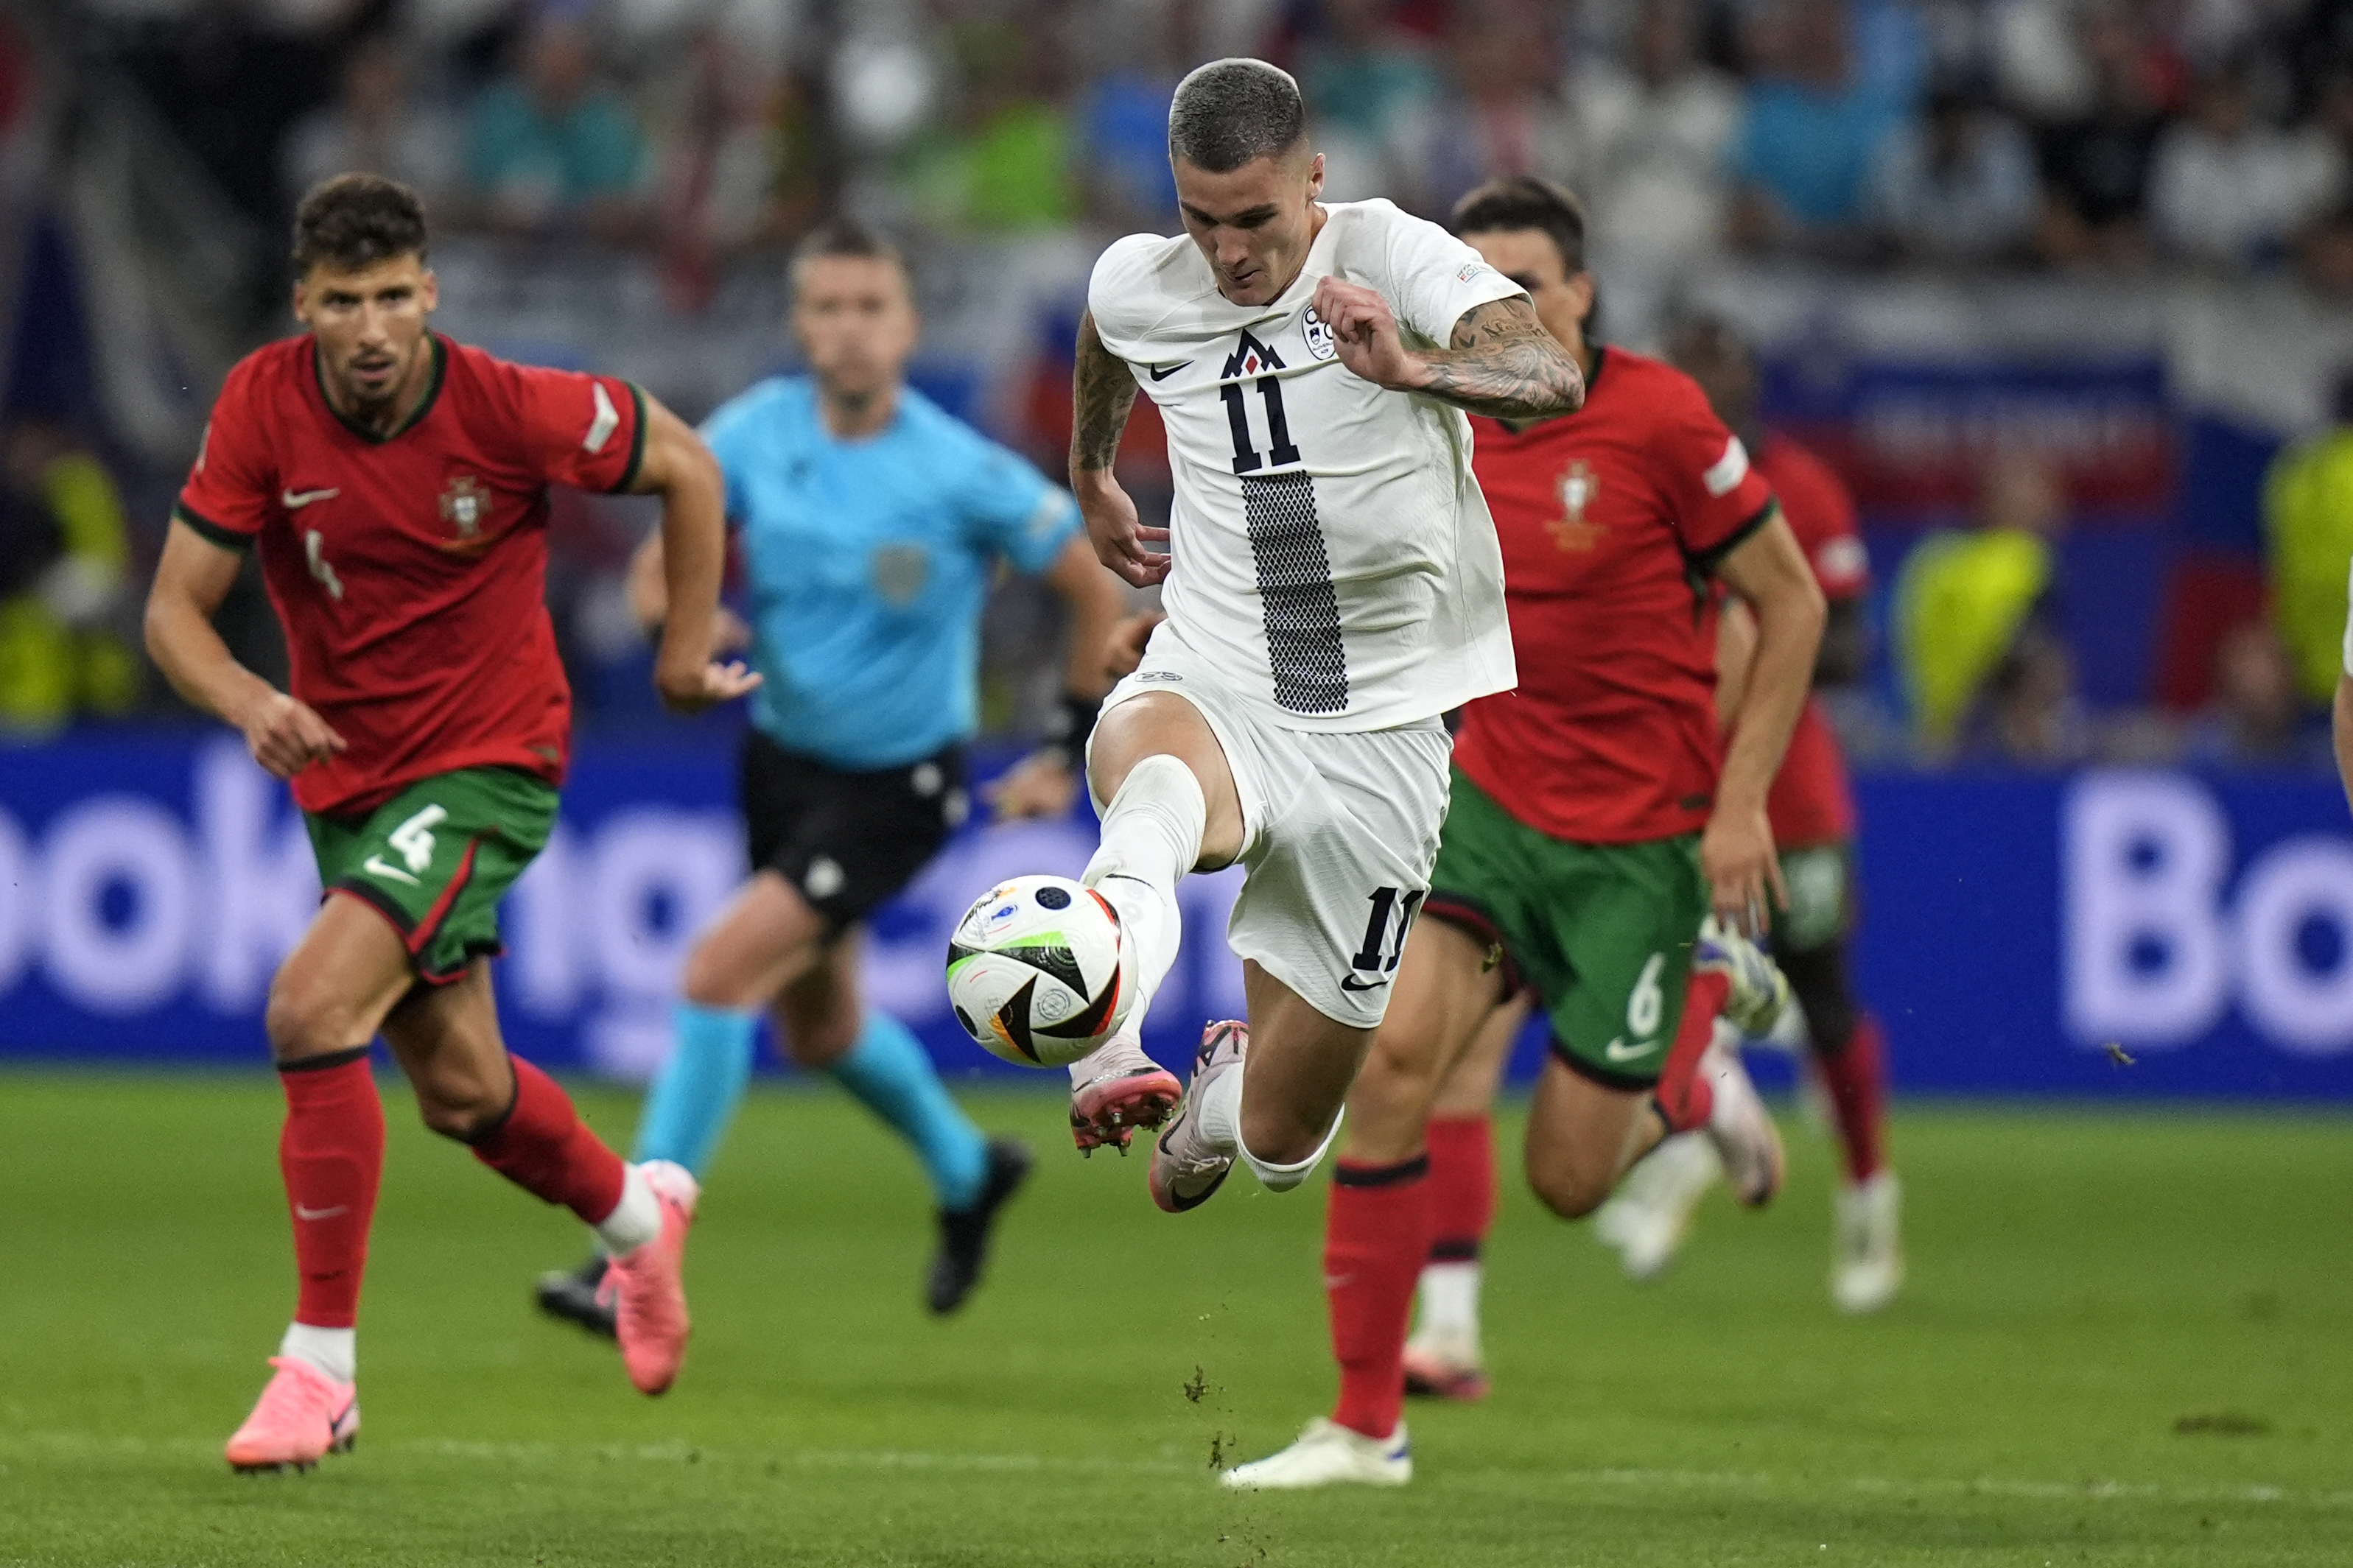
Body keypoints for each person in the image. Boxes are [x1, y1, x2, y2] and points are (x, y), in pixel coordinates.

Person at [141, 174, 752, 1473]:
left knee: (310, 1011)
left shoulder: (506, 404)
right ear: (305, 303)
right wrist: (252, 698)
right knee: (464, 1092)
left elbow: (689, 465)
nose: (369, 328)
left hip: (489, 763)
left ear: (430, 294)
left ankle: (321, 1371)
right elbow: (173, 612)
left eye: (390, 299)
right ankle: (642, 1230)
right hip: (351, 783)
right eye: (341, 303)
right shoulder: (261, 402)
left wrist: (683, 654)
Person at [1224, 174, 1824, 1489]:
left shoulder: (1661, 419)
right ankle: (1365, 1424)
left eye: (1526, 291)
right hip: (1477, 805)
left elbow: (1787, 604)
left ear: (1582, 295)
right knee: (1391, 1076)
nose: (1498, 315)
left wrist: (1736, 806)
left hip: (1638, 844)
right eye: (1474, 289)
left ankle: (1694, 1025)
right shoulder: (1416, 408)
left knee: (1565, 1180)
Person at [1011, 60, 1585, 1223]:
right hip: (1218, 664)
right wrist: (1089, 471)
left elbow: (1550, 372)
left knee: (1282, 1139)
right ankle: (1104, 1041)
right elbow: (1107, 328)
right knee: (1151, 788)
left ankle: (1223, 1095)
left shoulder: (1389, 255)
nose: (1225, 253)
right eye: (1199, 218)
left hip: (1384, 721)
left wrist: (1412, 367)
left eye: (1255, 220)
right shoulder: (1143, 279)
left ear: (1313, 179)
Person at [533, 220, 1129, 1335]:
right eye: (829, 307)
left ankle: (632, 1256)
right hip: (781, 762)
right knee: (818, 1027)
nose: (849, 330)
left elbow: (1094, 583)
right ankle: (967, 1169)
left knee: (715, 973)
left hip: (897, 785)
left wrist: (1062, 743)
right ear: (800, 323)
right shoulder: (752, 433)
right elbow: (665, 567)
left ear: (905, 325)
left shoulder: (955, 467)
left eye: (872, 307)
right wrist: (686, 623)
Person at [1585, 318, 1900, 1314]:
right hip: (1666, 788)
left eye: (1718, 385)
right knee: (1665, 982)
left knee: (1820, 998)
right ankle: (1689, 1150)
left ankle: (1866, 1203)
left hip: (1786, 798)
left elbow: (1844, 643)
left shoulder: (1795, 490)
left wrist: (1738, 623)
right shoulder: (1642, 485)